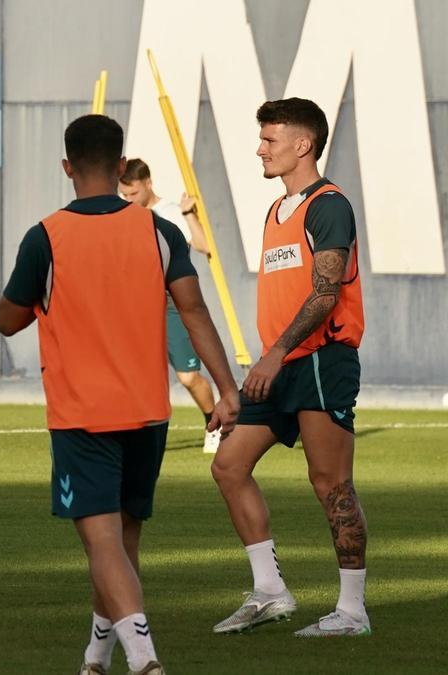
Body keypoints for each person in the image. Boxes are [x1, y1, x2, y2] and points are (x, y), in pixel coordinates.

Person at [0, 115, 239, 675]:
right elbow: (194, 310)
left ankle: (145, 660)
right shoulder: (158, 231)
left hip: (83, 413)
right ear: (121, 162)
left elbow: (8, 320)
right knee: (123, 543)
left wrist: (31, 300)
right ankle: (95, 658)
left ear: (67, 166)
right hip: (148, 412)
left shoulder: (46, 236)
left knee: (102, 543)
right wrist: (226, 388)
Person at [210, 98, 369, 638]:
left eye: (269, 139)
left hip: (321, 361)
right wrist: (255, 374)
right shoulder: (276, 211)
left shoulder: (328, 205)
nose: (260, 148)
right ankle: (271, 592)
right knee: (228, 466)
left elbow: (325, 295)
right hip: (279, 366)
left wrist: (274, 354)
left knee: (331, 484)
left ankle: (352, 612)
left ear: (303, 145)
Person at [119, 159, 221, 453]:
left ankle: (214, 424)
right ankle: (136, 435)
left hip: (171, 303)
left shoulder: (170, 214)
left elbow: (204, 246)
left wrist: (189, 214)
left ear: (148, 184)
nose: (128, 200)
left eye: (133, 194)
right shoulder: (123, 214)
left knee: (188, 377)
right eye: (124, 195)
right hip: (138, 305)